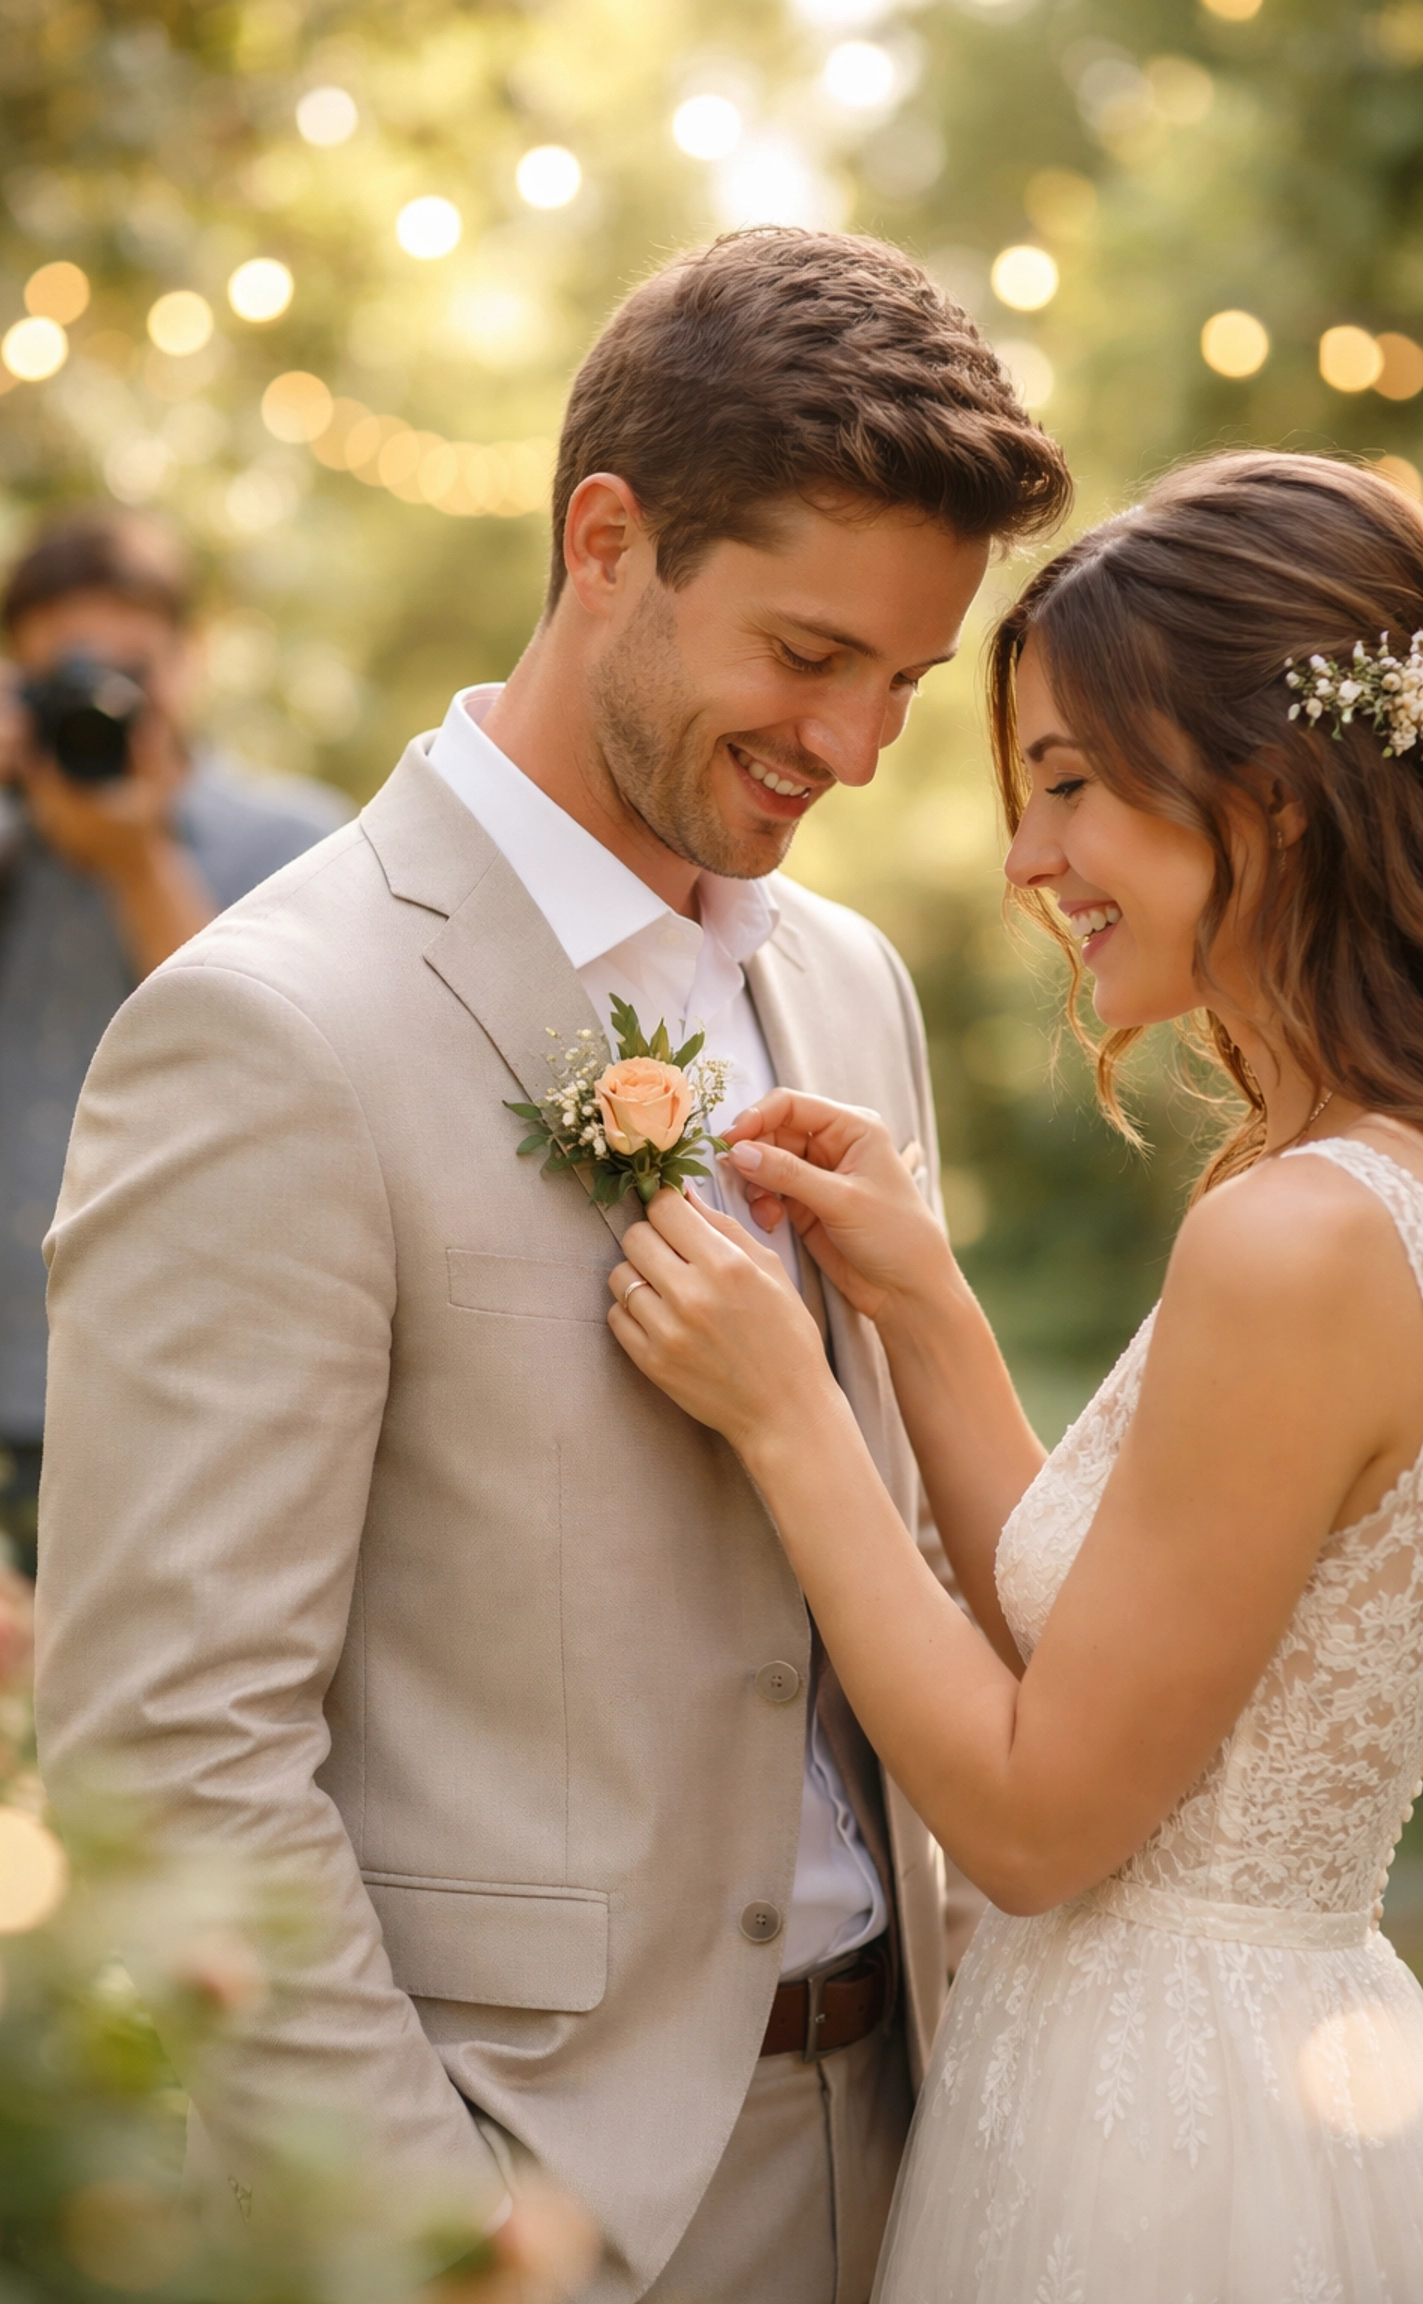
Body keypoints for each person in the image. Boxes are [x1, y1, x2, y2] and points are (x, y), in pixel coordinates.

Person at [34, 228, 1071, 2303]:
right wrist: (447, 2250)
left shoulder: (849, 988)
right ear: (610, 538)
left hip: (923, 2138)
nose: (858, 748)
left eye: (905, 683)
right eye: (806, 656)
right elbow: (172, 1747)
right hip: (547, 2196)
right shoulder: (277, 1032)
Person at [604, 450, 1423, 2300]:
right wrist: (923, 1308)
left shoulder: (1295, 1238)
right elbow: (1125, 1648)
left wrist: (791, 1412)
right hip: (1253, 2062)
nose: (1026, 860)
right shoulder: (1360, 1187)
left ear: (1272, 802)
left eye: (1066, 786)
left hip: (1173, 2141)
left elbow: (1045, 1818)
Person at [0, 511, 348, 1572]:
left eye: (130, 669)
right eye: (68, 678)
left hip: (187, 1403)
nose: (105, 702)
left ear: (190, 661)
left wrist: (137, 863)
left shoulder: (298, 844)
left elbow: (280, 1082)